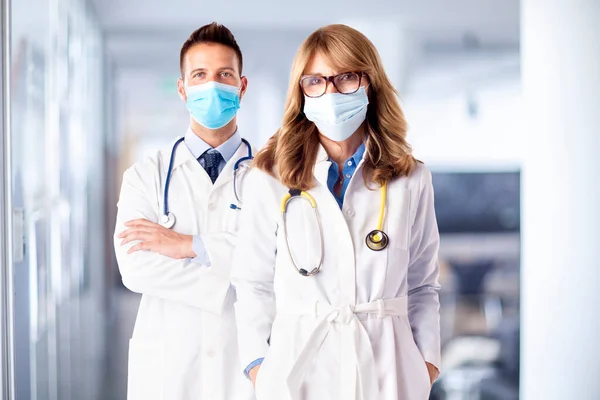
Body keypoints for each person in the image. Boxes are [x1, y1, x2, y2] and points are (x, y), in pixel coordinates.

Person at [232, 24, 441, 400]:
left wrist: (425, 367)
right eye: (315, 81)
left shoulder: (411, 179)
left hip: (389, 370)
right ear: (302, 92)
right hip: (297, 370)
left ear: (369, 84)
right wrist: (259, 369)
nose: (330, 92)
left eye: (345, 78)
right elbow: (252, 283)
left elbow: (423, 284)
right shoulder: (269, 177)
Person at [114, 22, 255, 400]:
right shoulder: (146, 175)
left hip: (246, 364)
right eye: (200, 75)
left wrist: (188, 245)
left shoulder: (272, 177)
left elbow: (280, 258)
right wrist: (232, 277)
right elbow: (135, 266)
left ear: (241, 87)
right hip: (169, 368)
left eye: (224, 75)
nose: (213, 85)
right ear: (183, 89)